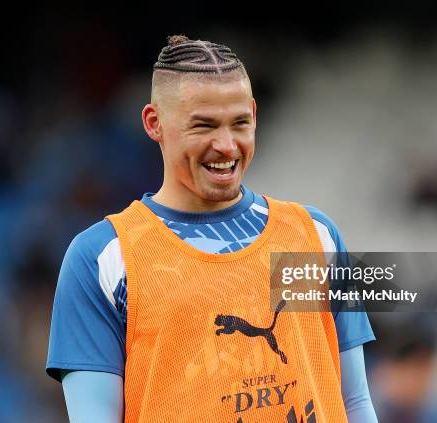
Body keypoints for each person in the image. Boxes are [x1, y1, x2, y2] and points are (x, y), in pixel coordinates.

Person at [46, 34, 378, 422]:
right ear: (155, 123)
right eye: (204, 126)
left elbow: (354, 401)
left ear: (254, 114)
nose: (226, 145)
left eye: (240, 123)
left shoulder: (314, 236)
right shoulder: (104, 258)